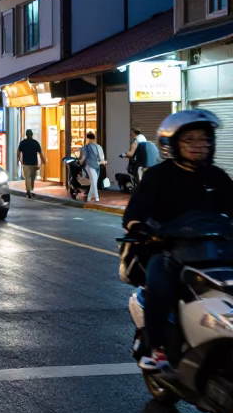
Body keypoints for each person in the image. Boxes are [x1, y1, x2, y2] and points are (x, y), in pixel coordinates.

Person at [123, 109, 233, 370]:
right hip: (168, 250)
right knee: (160, 284)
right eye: (190, 140)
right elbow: (133, 213)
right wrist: (139, 229)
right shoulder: (158, 176)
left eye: (204, 139)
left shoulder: (217, 177)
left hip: (215, 249)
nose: (198, 145)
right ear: (172, 144)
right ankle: (155, 348)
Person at [17, 128, 45, 198]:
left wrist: (19, 159)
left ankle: (29, 190)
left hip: (26, 163)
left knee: (28, 177)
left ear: (26, 135)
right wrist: (43, 160)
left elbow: (18, 151)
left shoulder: (23, 142)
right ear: (32, 135)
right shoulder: (35, 142)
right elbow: (40, 153)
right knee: (32, 177)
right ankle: (30, 190)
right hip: (33, 163)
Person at [80, 130, 105, 203]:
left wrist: (80, 161)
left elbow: (84, 157)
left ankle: (89, 197)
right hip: (97, 164)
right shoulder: (98, 147)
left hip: (89, 165)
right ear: (94, 138)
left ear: (87, 138)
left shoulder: (85, 147)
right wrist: (103, 161)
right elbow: (101, 156)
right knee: (94, 180)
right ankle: (96, 197)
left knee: (93, 181)